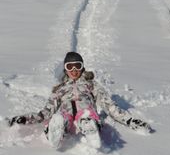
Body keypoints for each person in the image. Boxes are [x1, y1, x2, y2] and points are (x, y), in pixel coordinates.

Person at [6, 52, 152, 149]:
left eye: (78, 66)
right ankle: (57, 129)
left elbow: (109, 105)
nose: (74, 70)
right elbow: (46, 111)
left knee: (86, 110)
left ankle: (89, 126)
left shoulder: (91, 84)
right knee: (62, 115)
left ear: (82, 68)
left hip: (86, 108)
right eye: (70, 66)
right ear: (65, 69)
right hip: (66, 111)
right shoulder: (60, 89)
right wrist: (26, 119)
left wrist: (130, 121)